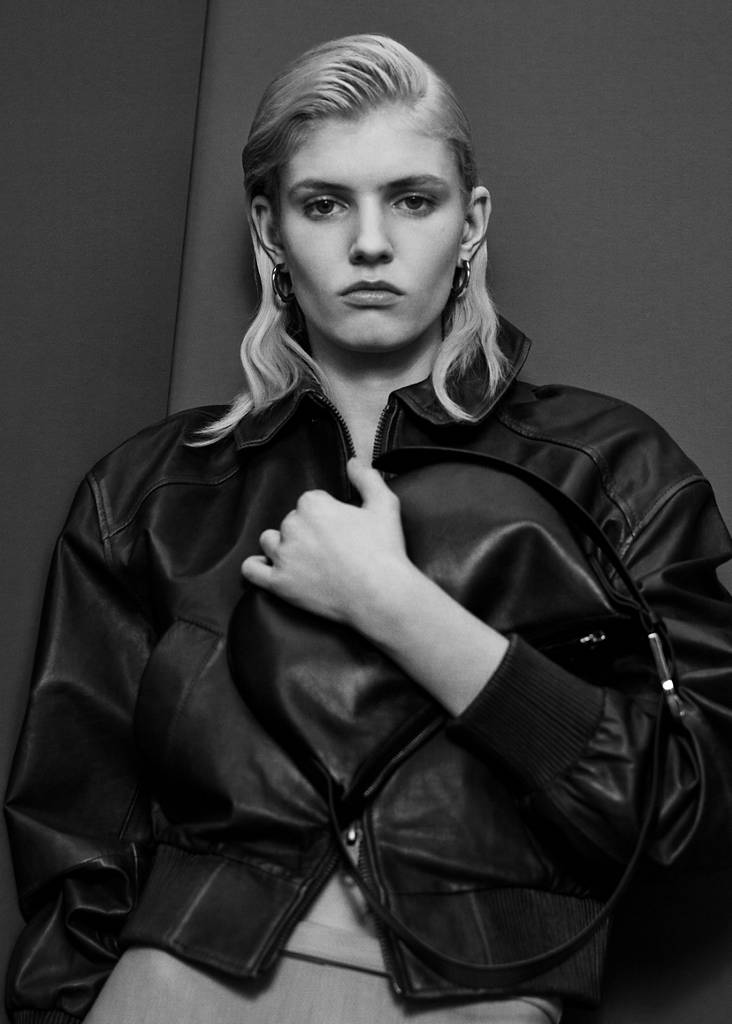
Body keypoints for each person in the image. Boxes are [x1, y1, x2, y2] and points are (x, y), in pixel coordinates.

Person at [5, 33, 732, 1024]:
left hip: (475, 1000)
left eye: (413, 199)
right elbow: (74, 835)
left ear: (471, 221)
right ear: (269, 229)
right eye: (323, 204)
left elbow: (697, 804)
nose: (371, 243)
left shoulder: (610, 472)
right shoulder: (153, 492)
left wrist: (400, 609)